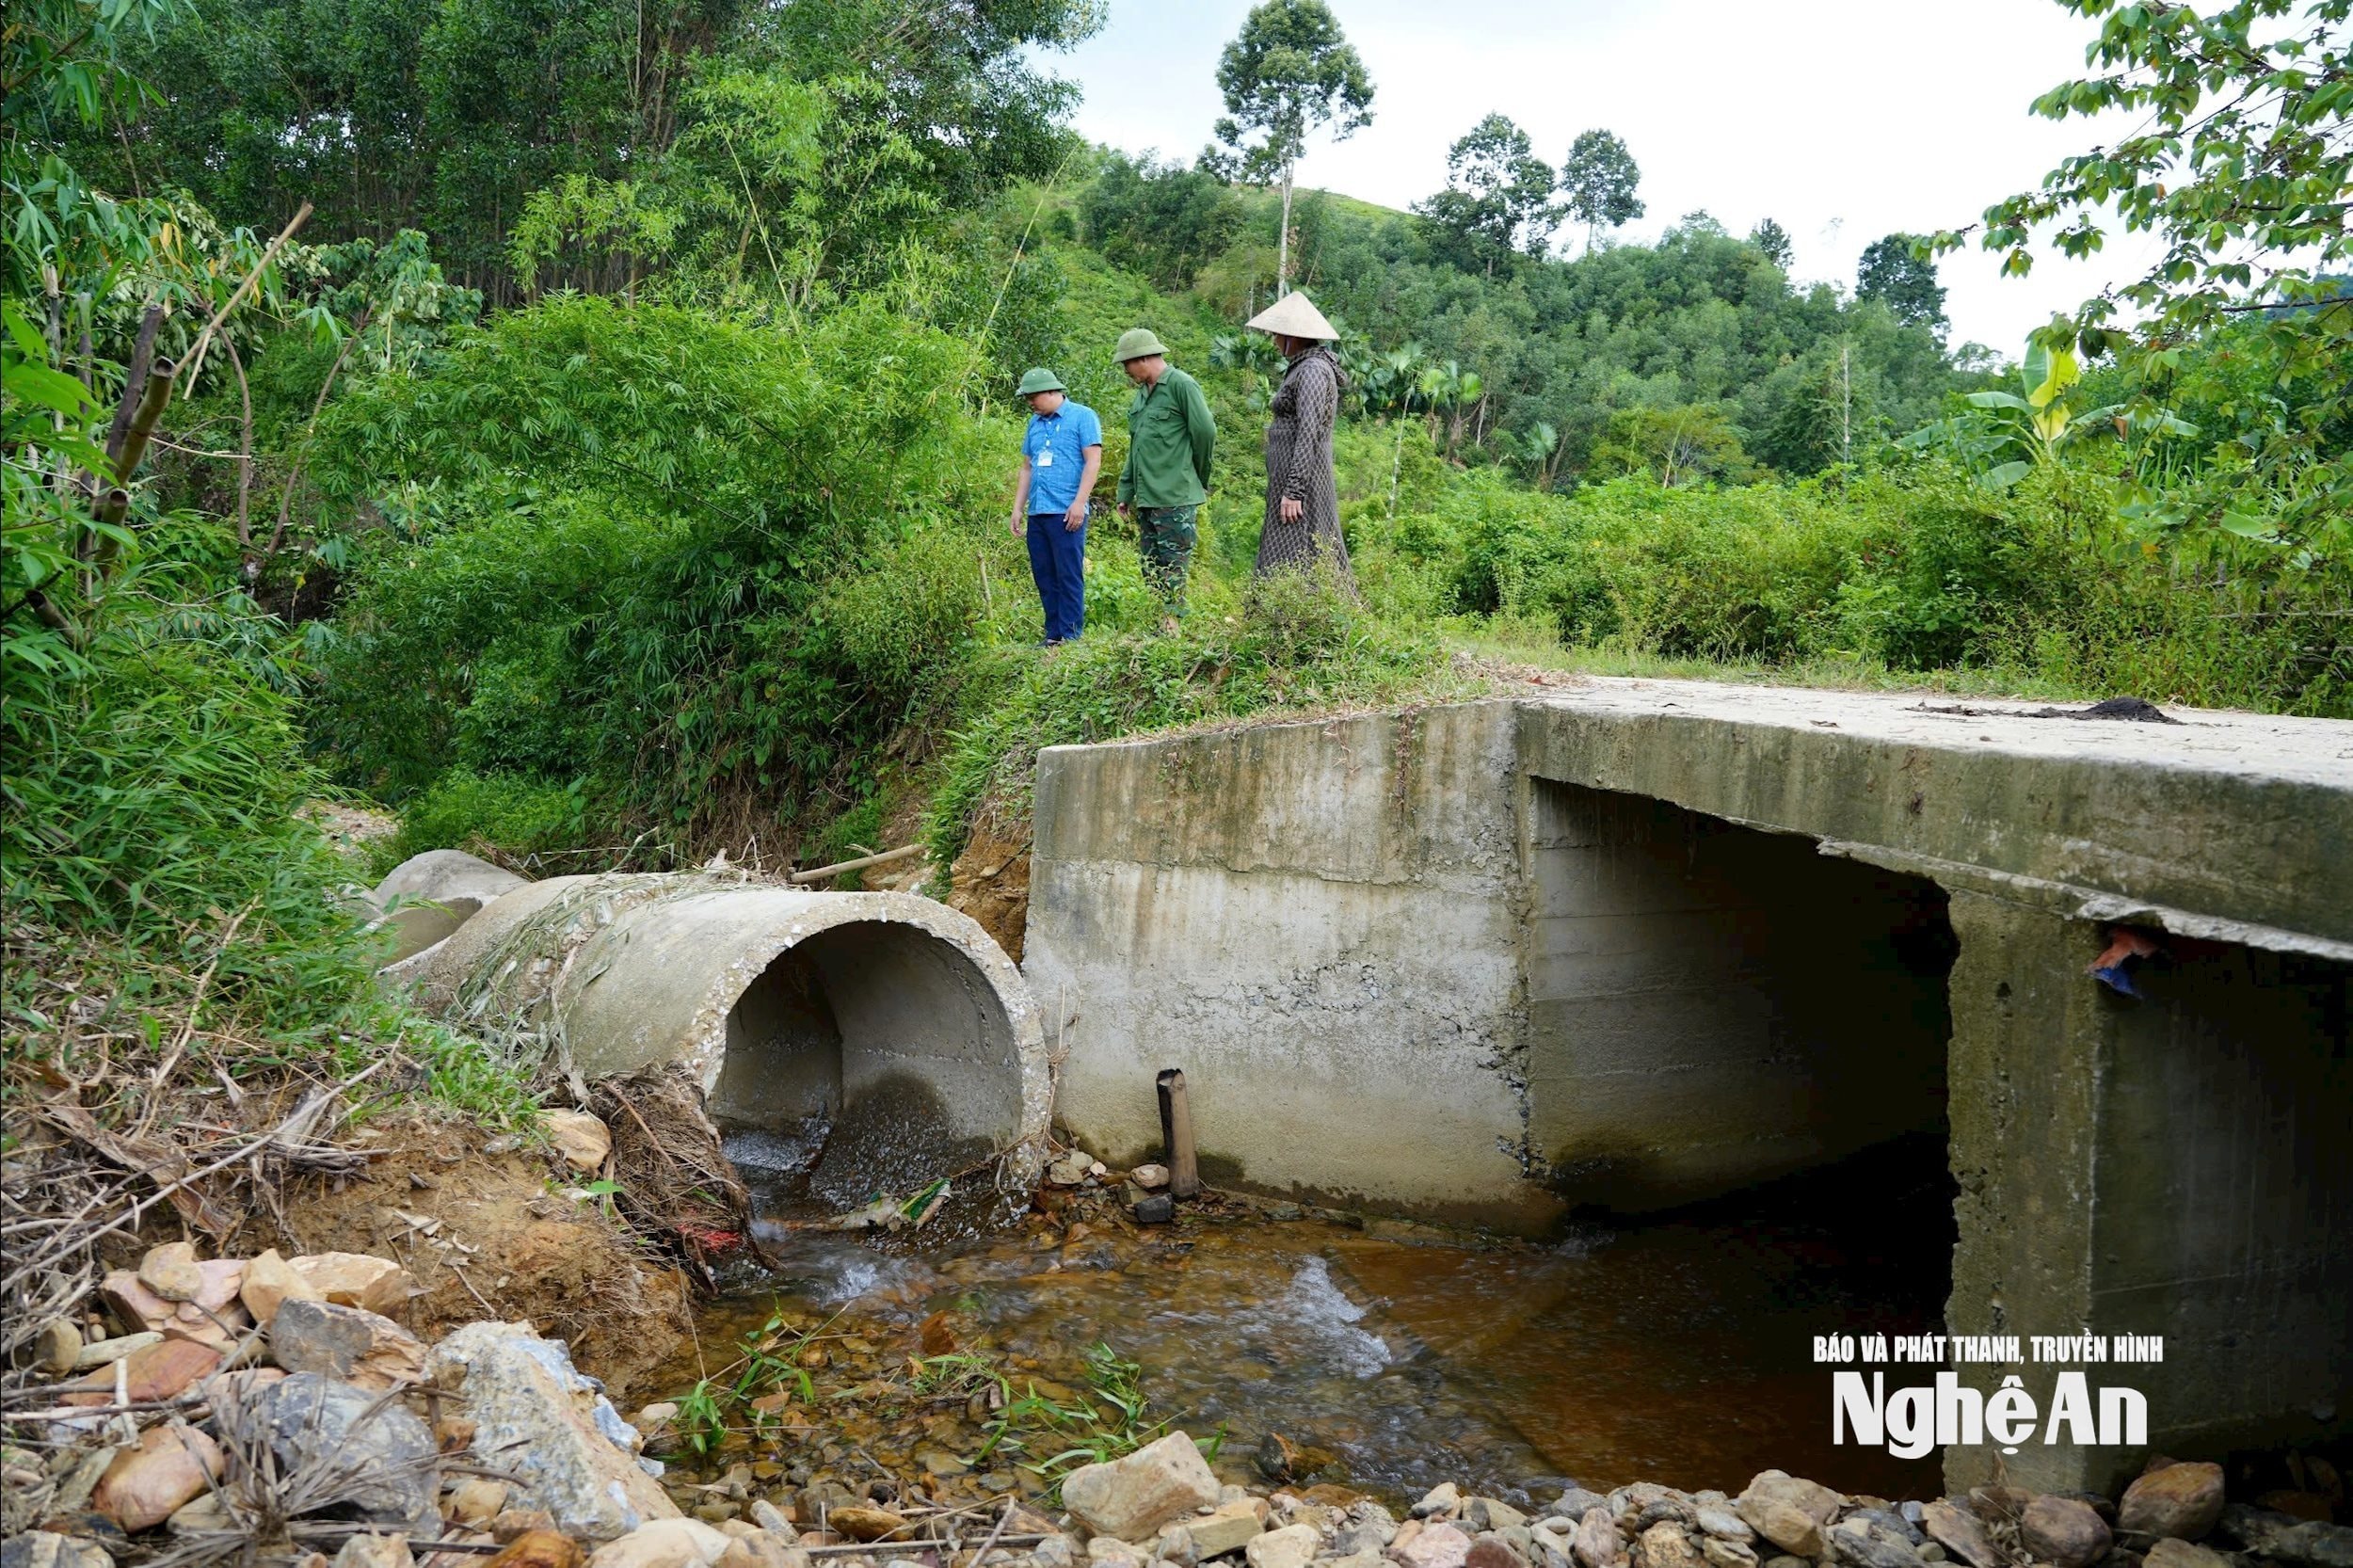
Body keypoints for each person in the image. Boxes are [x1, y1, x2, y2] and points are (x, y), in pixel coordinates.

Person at [1243, 292, 1353, 590]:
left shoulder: (1314, 370)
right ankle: (1275, 618)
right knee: (1286, 544)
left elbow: (1309, 431)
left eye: (1278, 333)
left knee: (1306, 544)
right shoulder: (1303, 367)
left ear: (1293, 336)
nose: (1275, 339)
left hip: (1304, 485)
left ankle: (1310, 619)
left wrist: (1294, 490)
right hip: (1291, 480)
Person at [1111, 328, 1216, 634]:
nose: (1126, 372)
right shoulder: (1142, 396)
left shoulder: (1181, 385)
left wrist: (1196, 476)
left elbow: (1205, 433)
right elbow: (1137, 446)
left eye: (1127, 365)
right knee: (1151, 565)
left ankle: (1172, 629)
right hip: (1147, 496)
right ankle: (1161, 624)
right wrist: (1125, 490)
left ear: (1143, 359)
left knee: (1173, 564)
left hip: (1174, 495)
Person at [1010, 367, 1103, 646]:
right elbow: (1026, 469)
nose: (1030, 402)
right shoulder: (1034, 424)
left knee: (1068, 574)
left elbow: (1093, 461)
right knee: (1044, 575)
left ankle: (1072, 636)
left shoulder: (1083, 416)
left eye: (1033, 396)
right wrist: (1018, 508)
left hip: (1067, 511)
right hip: (1038, 512)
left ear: (1052, 391)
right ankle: (1054, 635)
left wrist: (1079, 502)